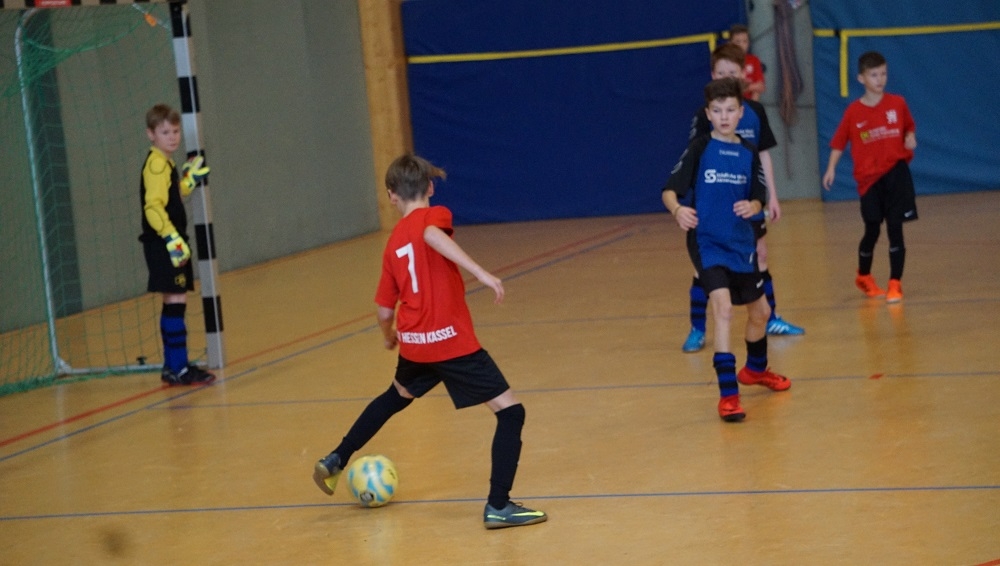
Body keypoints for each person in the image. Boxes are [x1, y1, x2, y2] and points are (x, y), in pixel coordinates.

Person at [312, 153, 547, 530]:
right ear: (431, 188)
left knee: (395, 396)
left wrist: (389, 337)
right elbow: (431, 235)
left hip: (415, 342)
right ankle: (498, 505)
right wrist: (481, 273)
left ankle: (337, 458)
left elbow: (383, 310)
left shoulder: (392, 243)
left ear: (392, 195)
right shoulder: (434, 216)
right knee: (511, 413)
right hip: (450, 341)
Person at [663, 78, 792, 422]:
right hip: (707, 242)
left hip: (740, 243)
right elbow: (669, 191)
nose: (724, 116)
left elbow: (758, 196)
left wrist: (754, 206)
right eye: (717, 110)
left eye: (730, 110)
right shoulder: (700, 148)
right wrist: (678, 210)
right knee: (722, 310)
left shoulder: (749, 153)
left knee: (761, 313)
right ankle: (728, 396)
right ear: (708, 114)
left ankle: (756, 370)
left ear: (740, 113)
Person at [681, 43, 804, 354]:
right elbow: (696, 161)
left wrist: (771, 196)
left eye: (732, 72)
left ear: (742, 75)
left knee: (759, 256)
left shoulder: (755, 112)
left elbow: (763, 156)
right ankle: (697, 328)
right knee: (705, 268)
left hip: (748, 201)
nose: (727, 77)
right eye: (721, 72)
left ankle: (770, 318)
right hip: (714, 205)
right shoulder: (705, 117)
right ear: (713, 75)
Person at [822, 51, 917, 303]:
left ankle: (895, 283)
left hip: (896, 174)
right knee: (872, 229)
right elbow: (839, 142)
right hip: (870, 181)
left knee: (895, 228)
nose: (880, 79)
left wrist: (910, 137)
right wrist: (831, 168)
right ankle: (863, 276)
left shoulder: (898, 104)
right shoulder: (853, 112)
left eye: (883, 74)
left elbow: (909, 127)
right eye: (874, 75)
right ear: (861, 78)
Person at [139, 103, 215, 386]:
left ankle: (173, 366)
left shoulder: (165, 163)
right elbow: (153, 207)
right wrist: (171, 238)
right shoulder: (156, 165)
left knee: (173, 301)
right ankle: (179, 367)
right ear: (151, 134)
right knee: (176, 300)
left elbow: (171, 196)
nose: (172, 137)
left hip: (166, 241)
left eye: (175, 131)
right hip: (164, 242)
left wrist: (188, 181)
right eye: (165, 132)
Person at [729, 24, 765, 101]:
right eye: (738, 42)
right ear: (730, 43)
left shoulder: (754, 60)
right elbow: (729, 89)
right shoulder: (727, 61)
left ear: (748, 43)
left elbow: (760, 86)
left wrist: (753, 104)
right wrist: (752, 87)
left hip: (751, 102)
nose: (741, 45)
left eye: (745, 41)